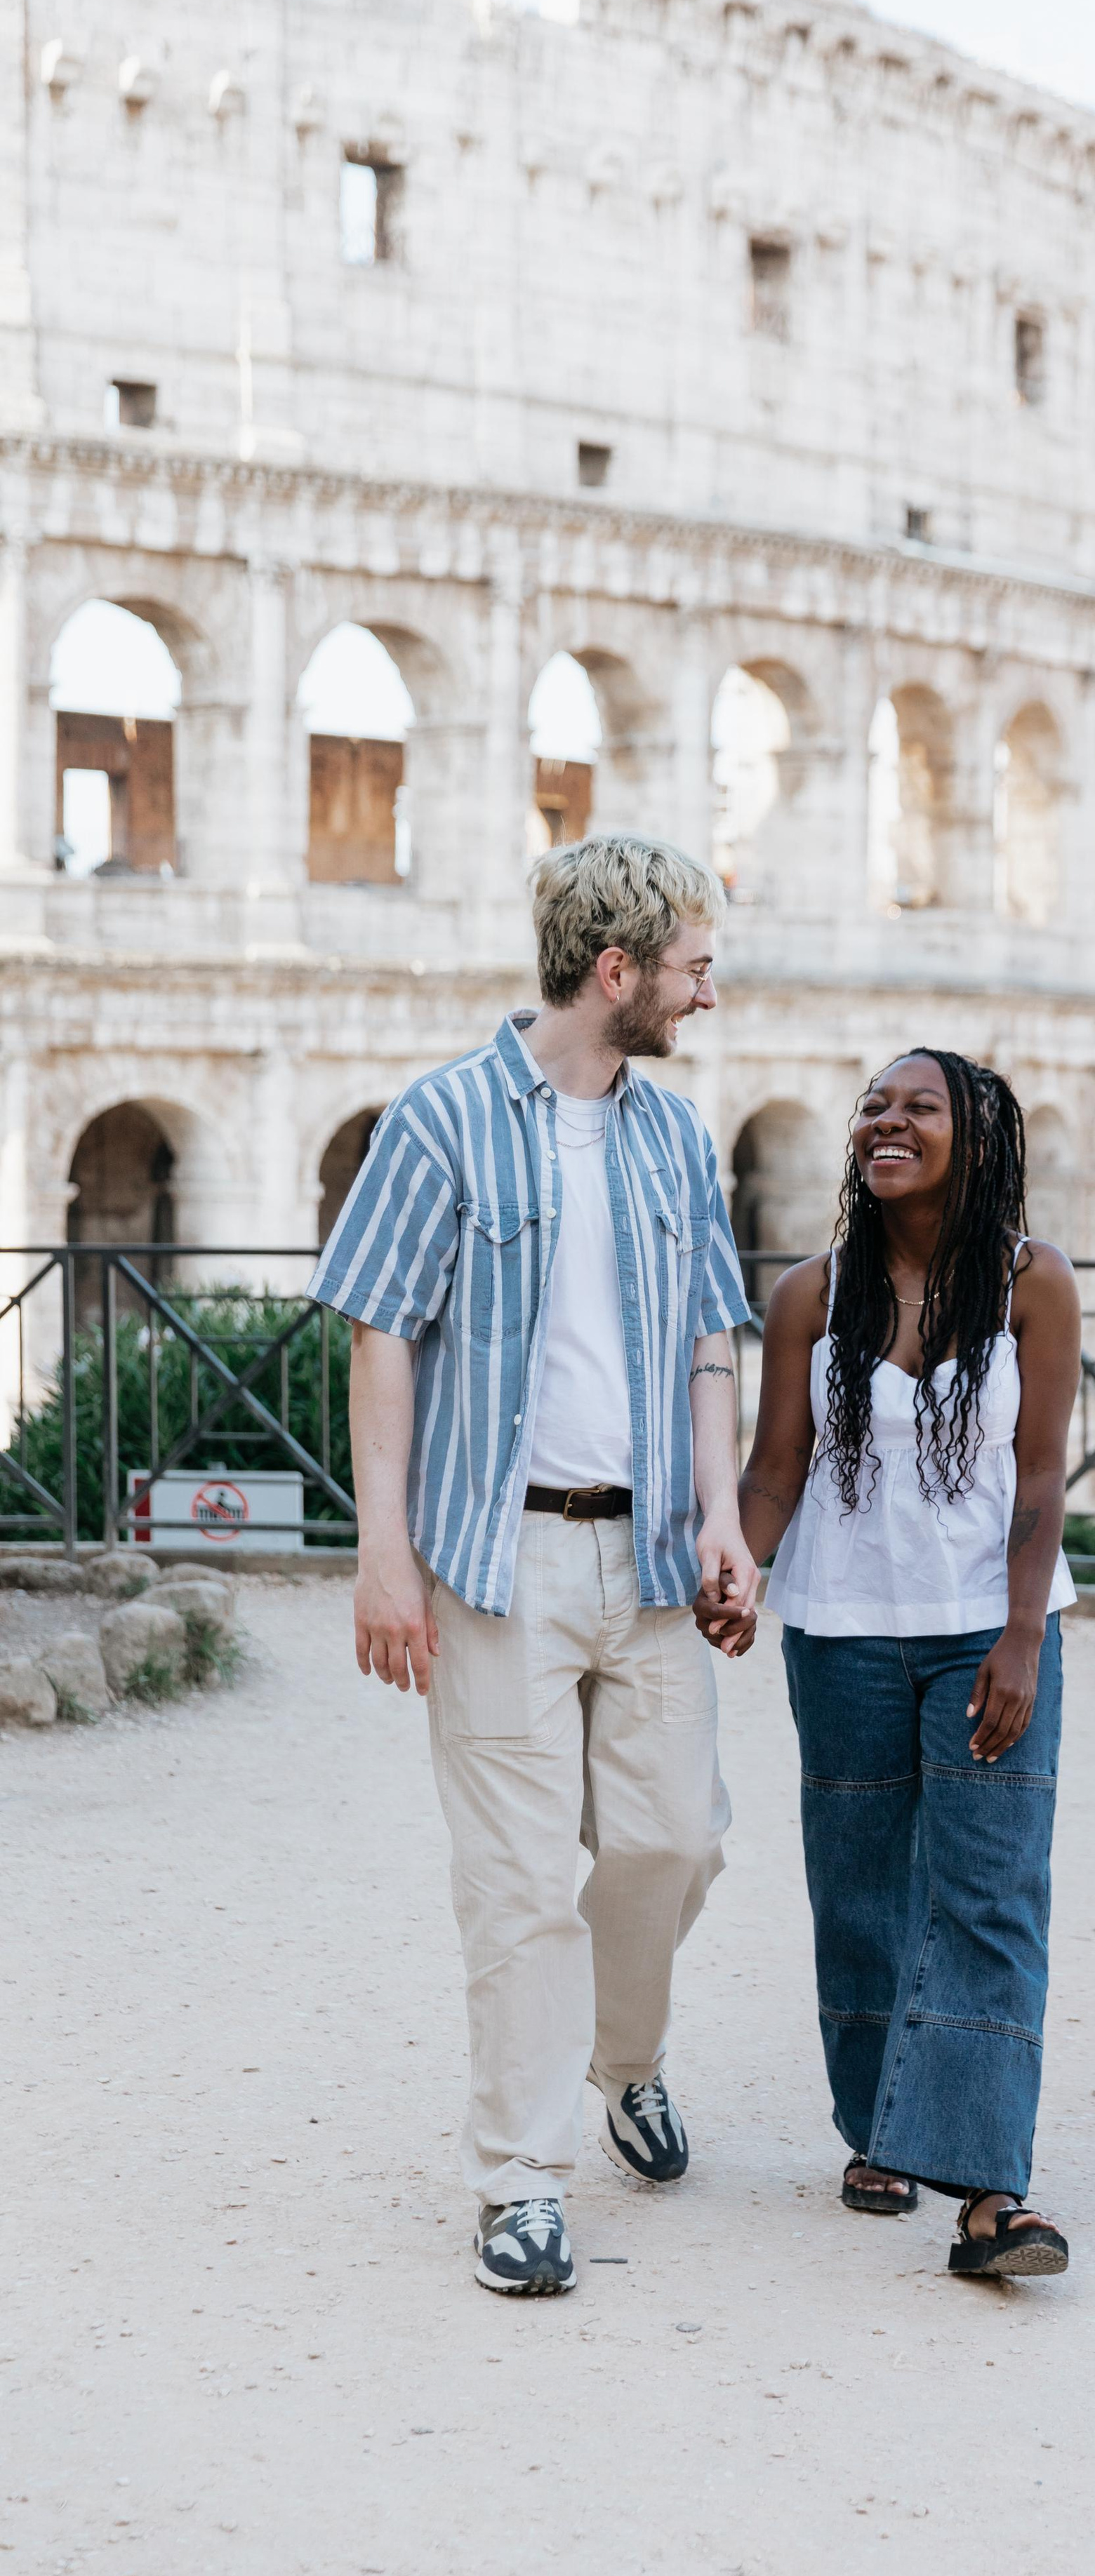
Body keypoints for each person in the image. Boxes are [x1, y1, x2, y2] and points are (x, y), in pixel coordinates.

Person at [311, 831, 758, 2297]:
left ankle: (622, 2061)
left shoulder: (678, 1140)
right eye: (692, 968)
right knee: (514, 1885)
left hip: (645, 1558)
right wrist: (382, 1552)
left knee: (672, 1840)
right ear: (614, 970)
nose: (708, 996)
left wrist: (719, 1520)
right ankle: (518, 2186)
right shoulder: (438, 1122)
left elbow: (709, 1345)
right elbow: (380, 1337)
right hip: (489, 1558)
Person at [704, 1048, 1082, 2278]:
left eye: (918, 1106)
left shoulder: (1036, 1285)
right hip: (844, 1631)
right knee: (860, 1890)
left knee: (990, 1895)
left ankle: (990, 2196)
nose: (887, 1121)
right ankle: (878, 2129)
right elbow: (776, 1471)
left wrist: (1023, 1636)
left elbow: (1038, 1481)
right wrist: (740, 1570)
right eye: (874, 1104)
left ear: (975, 1138)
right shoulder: (811, 1296)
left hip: (989, 1630)